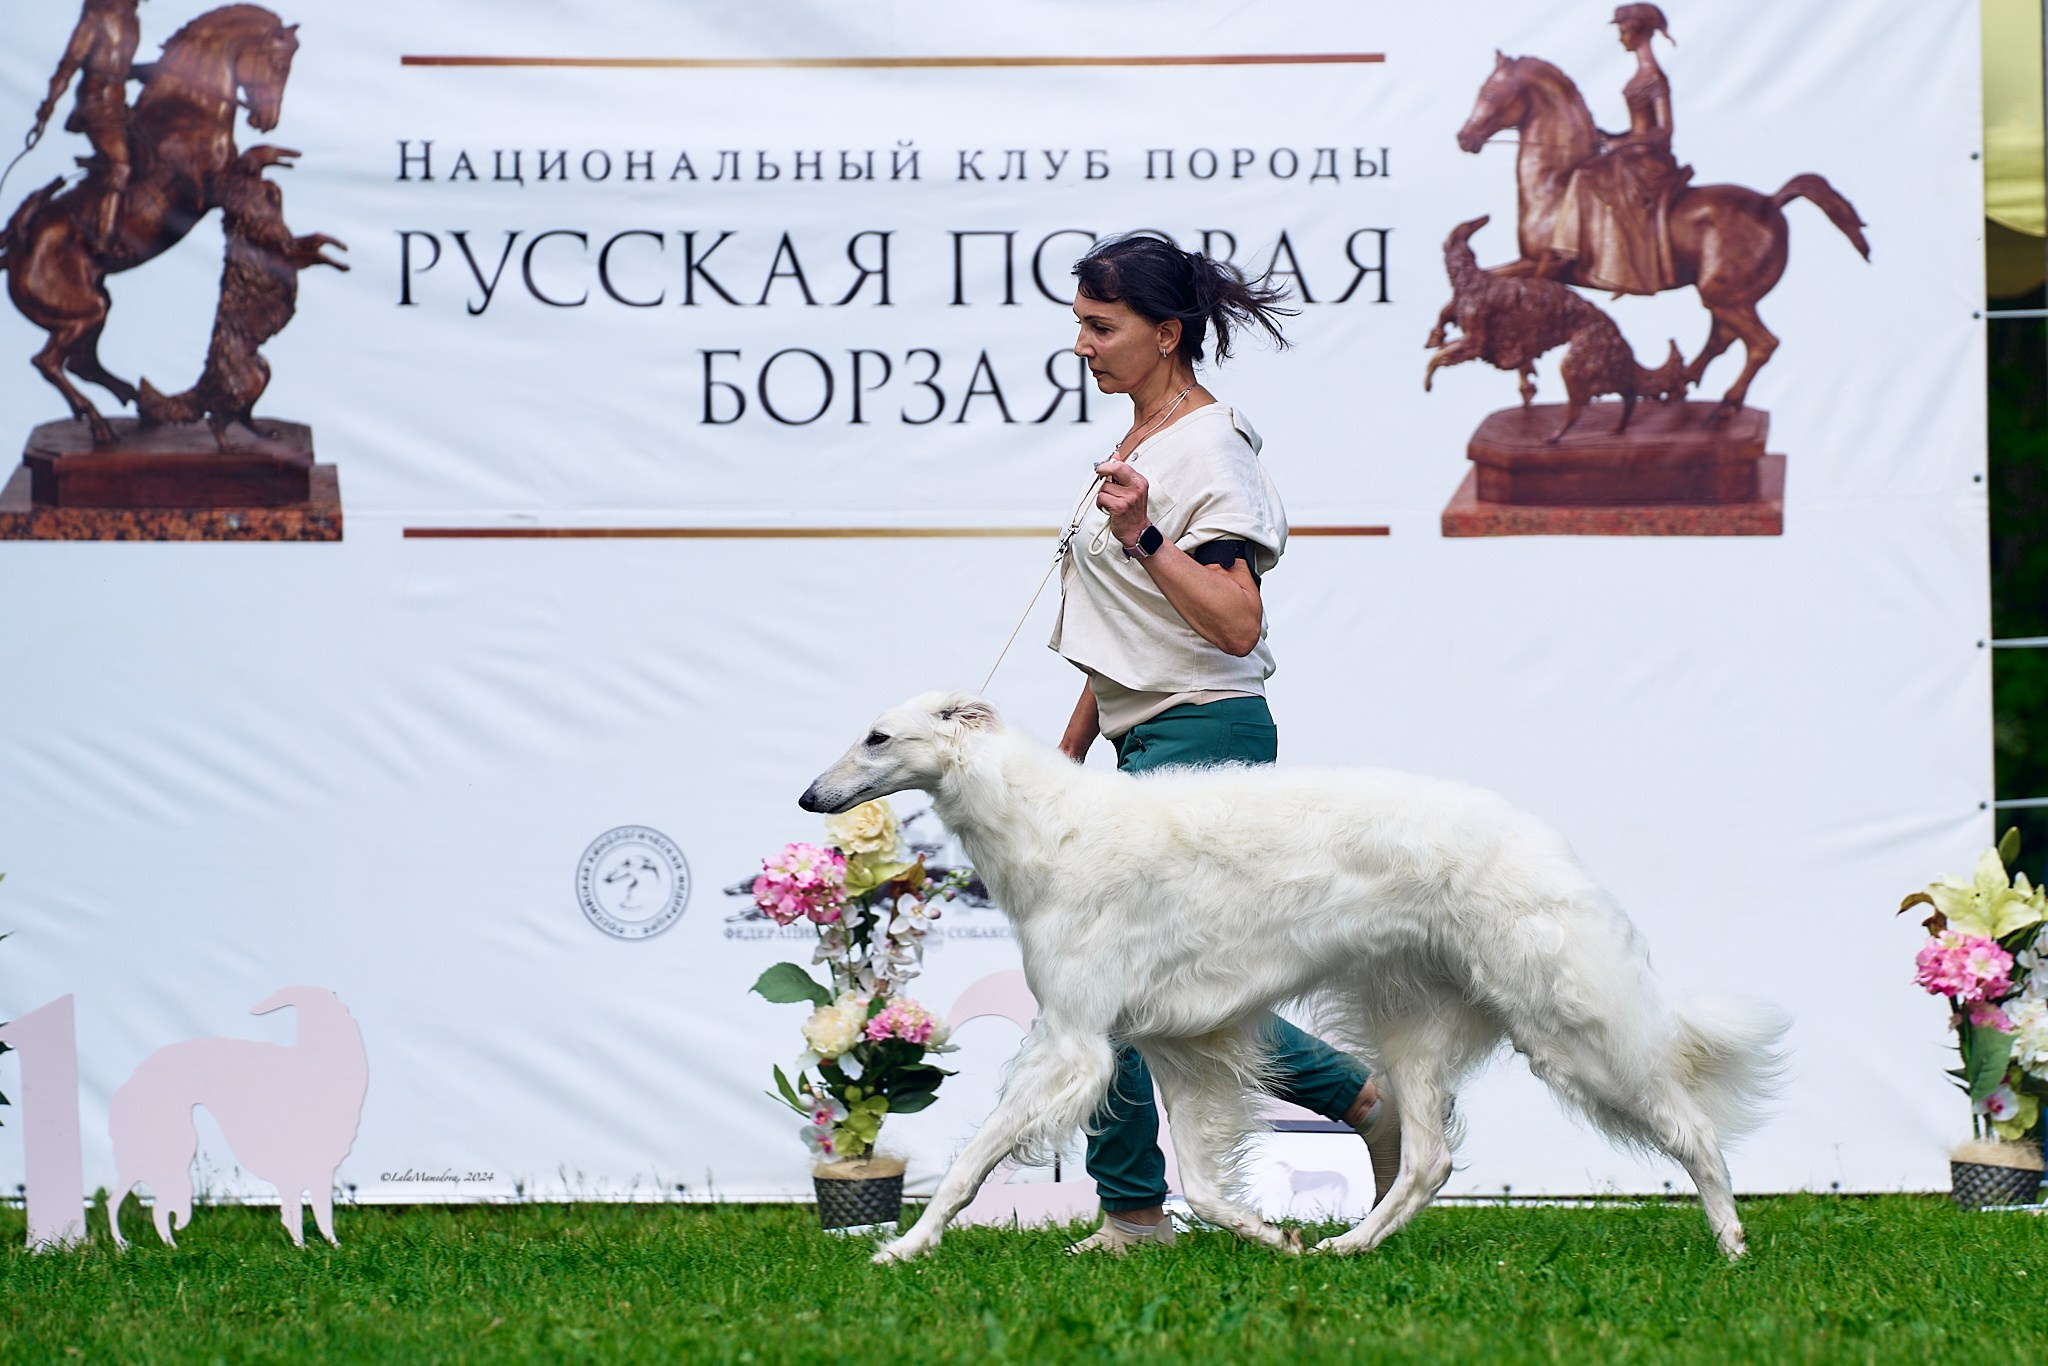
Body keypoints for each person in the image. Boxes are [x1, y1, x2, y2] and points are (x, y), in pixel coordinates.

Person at [1046, 232, 1400, 1253]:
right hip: (1147, 733)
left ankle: (1136, 1212)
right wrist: (1069, 752)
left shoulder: (1205, 448)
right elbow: (1127, 635)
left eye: (1100, 326)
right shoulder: (1147, 439)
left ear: (1167, 333)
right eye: (1078, 324)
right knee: (1153, 988)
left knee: (1106, 979)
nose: (1081, 345)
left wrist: (1144, 536)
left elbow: (1235, 623)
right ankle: (1360, 1105)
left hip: (1202, 731)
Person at [1546, 3, 1692, 295]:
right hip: (1633, 154)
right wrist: (1611, 137)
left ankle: (1594, 258)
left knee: (1585, 177)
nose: (1620, 38)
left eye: (1624, 31)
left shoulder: (1654, 78)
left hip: (1649, 162)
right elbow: (1640, 128)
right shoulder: (1640, 75)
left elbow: (1665, 131)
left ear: (1638, 32)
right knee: (1585, 169)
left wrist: (1622, 143)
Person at [36, 0, 144, 251]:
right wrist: (49, 104)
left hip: (118, 104)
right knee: (120, 166)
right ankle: (102, 237)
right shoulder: (97, 15)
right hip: (95, 104)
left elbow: (120, 68)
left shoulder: (132, 20)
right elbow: (70, 63)